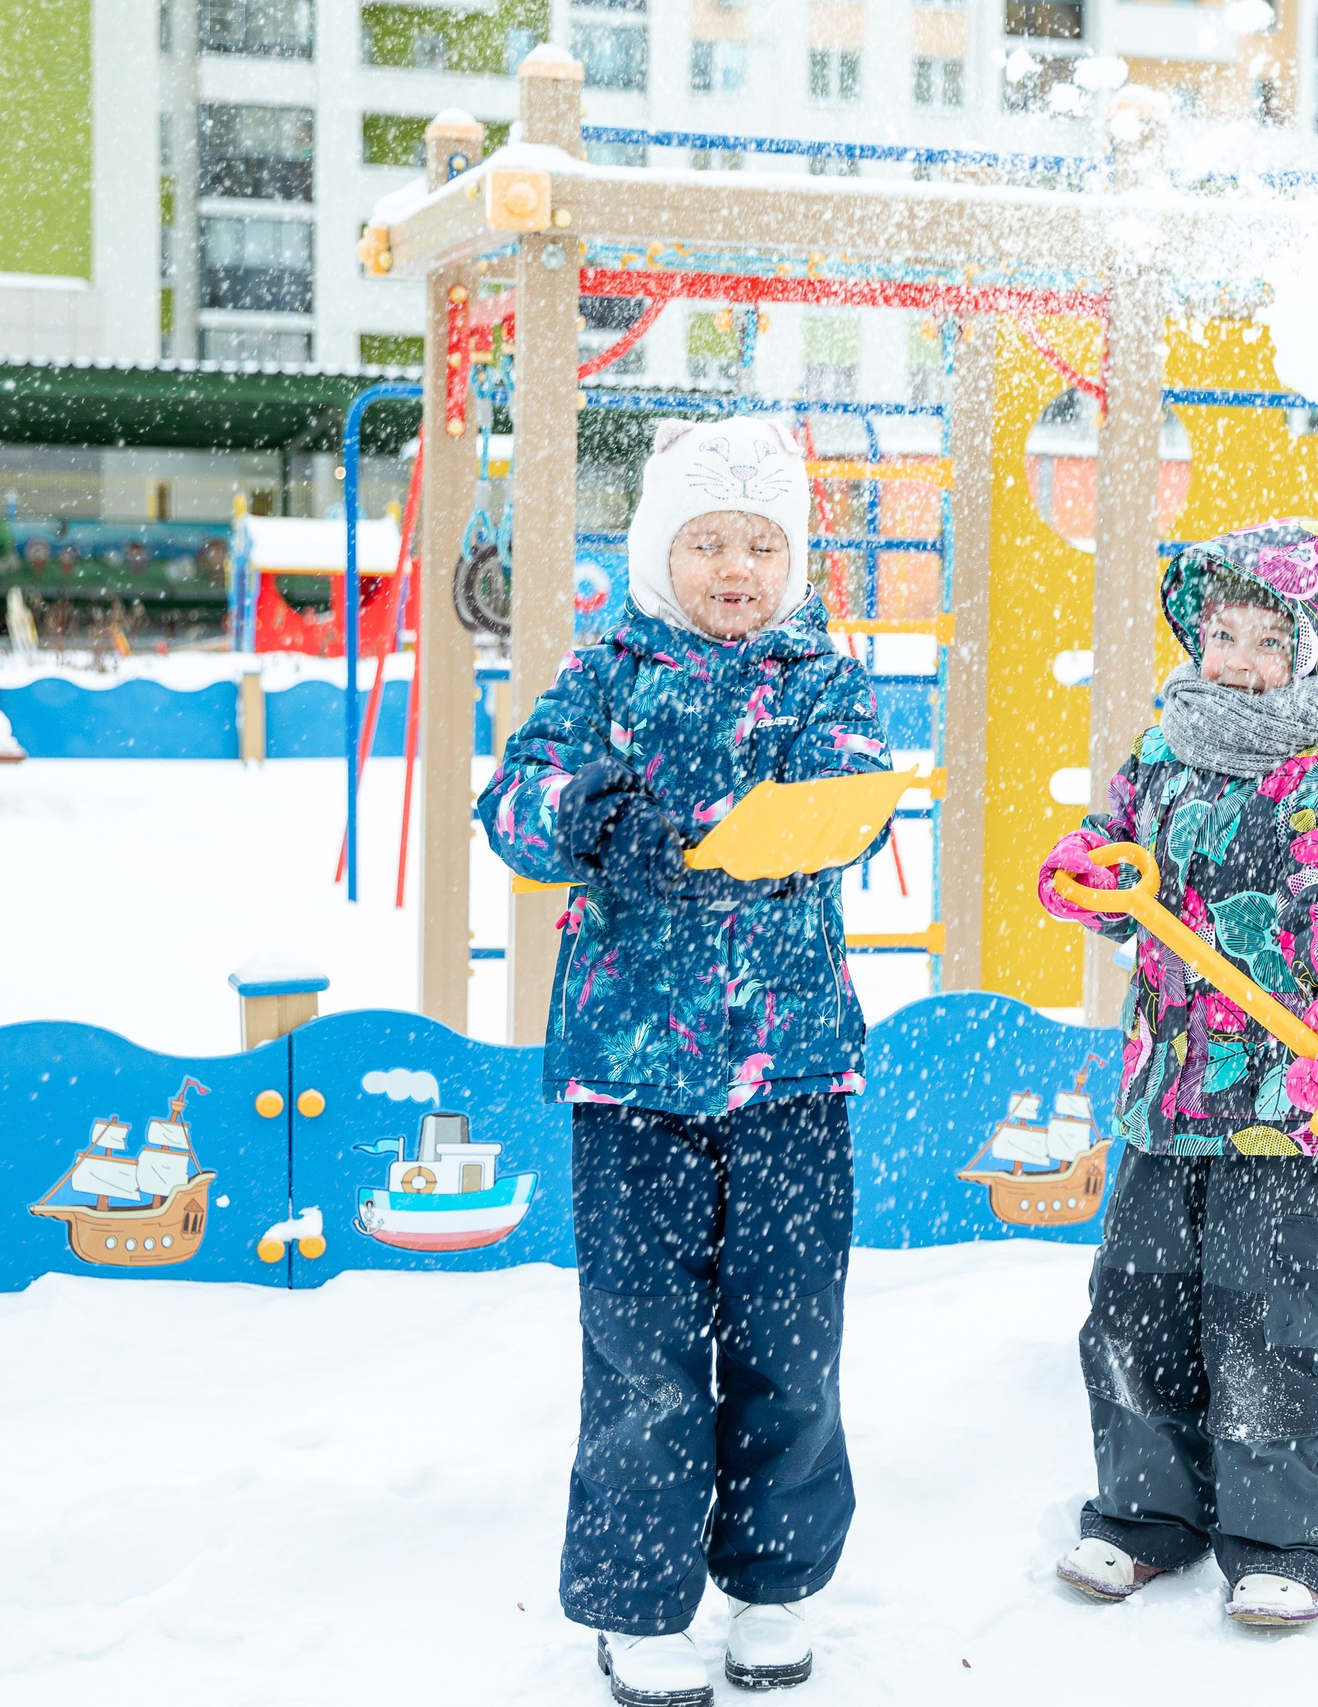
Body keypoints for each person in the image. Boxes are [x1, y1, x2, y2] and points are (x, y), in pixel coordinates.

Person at [478, 416, 891, 1706]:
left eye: (763, 543)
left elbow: (850, 797)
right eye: (707, 540)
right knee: (642, 1350)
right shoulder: (604, 673)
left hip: (791, 1074)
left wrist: (743, 828)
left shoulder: (823, 678)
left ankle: (774, 1587)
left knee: (790, 1339)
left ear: (794, 558)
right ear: (661, 550)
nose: (736, 567)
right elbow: (517, 800)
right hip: (633, 1078)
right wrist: (598, 815)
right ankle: (640, 1604)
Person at [1033, 518, 1318, 1630]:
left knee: (1264, 1315)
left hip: (1290, 1105)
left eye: (1267, 640)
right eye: (1220, 633)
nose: (1236, 661)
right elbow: (1114, 860)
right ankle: (1146, 1518)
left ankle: (1285, 1537)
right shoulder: (1164, 747)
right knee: (1134, 1306)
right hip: (1166, 1094)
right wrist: (1084, 874)